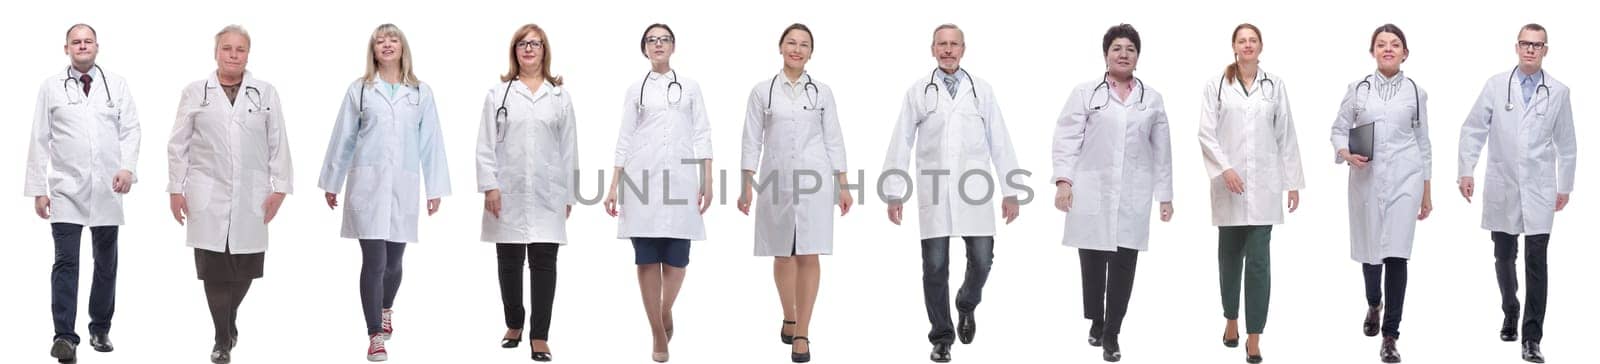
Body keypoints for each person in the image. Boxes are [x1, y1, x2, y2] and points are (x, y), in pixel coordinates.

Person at [881, 23, 1022, 363]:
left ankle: (966, 303)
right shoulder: (919, 91)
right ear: (932, 49)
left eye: (953, 44)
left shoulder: (981, 91)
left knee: (983, 260)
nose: (947, 50)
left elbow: (999, 139)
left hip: (975, 188)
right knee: (934, 267)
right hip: (935, 189)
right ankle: (942, 336)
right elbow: (901, 141)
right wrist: (894, 191)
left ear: (963, 49)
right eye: (941, 44)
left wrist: (1011, 189)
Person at [316, 23, 452, 362]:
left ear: (403, 47)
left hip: (403, 186)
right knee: (374, 262)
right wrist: (332, 182)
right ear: (373, 50)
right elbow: (343, 137)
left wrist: (435, 188)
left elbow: (431, 142)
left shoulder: (420, 92)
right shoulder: (360, 89)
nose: (387, 45)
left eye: (393, 40)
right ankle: (375, 333)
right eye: (380, 41)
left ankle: (386, 307)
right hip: (367, 185)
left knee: (394, 263)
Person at [166, 24, 293, 364]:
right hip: (205, 192)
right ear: (216, 52)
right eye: (227, 48)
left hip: (252, 193)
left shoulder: (264, 92)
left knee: (246, 267)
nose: (233, 54)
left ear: (247, 54)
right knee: (214, 269)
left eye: (240, 49)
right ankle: (223, 338)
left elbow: (277, 141)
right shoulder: (196, 92)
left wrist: (280, 188)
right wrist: (175, 189)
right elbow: (178, 144)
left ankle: (228, 321)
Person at [1052, 23, 1174, 363]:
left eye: (1130, 49)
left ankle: (1112, 333)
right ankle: (1096, 318)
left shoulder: (1152, 99)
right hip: (1091, 189)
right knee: (1091, 263)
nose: (1124, 54)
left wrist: (1165, 196)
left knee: (1123, 264)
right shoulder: (1085, 93)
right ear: (1106, 54)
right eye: (1117, 48)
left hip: (1134, 192)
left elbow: (1162, 150)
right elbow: (1066, 139)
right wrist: (1064, 182)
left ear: (1138, 56)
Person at [1456, 23, 1576, 364]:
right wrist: (1466, 170)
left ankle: (1532, 338)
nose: (1530, 50)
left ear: (1545, 50)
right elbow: (1473, 128)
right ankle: (1511, 309)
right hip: (1503, 184)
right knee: (1504, 255)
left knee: (1537, 262)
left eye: (1537, 45)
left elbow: (1566, 143)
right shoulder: (1496, 86)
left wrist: (1564, 184)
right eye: (1525, 43)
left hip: (1540, 188)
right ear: (1517, 46)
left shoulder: (1559, 91)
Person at [25, 23, 142, 364]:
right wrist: (38, 189)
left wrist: (128, 169)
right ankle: (64, 336)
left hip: (108, 187)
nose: (81, 46)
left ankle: (100, 328)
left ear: (97, 46)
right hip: (66, 190)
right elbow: (38, 138)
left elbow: (132, 129)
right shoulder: (51, 87)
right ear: (66, 49)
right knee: (66, 263)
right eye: (75, 42)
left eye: (87, 41)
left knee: (106, 262)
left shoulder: (116, 86)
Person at [736, 23, 851, 364]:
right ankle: (789, 314)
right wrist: (746, 184)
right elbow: (750, 139)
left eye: (803, 45)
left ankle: (802, 331)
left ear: (811, 53)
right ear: (781, 47)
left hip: (815, 181)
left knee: (809, 253)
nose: (797, 49)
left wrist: (843, 184)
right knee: (782, 253)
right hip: (776, 180)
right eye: (791, 43)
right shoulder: (762, 92)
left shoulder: (822, 92)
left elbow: (834, 139)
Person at [603, 23, 714, 363]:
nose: (658, 44)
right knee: (647, 258)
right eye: (651, 40)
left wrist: (706, 179)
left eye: (664, 39)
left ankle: (664, 310)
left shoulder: (691, 88)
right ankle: (656, 331)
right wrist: (613, 185)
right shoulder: (635, 90)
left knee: (677, 260)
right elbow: (624, 138)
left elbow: (702, 133)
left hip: (681, 182)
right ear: (644, 49)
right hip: (642, 182)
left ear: (673, 46)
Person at [1197, 23, 1305, 364]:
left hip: (1264, 188)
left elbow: (1285, 134)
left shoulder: (1275, 86)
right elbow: (1205, 133)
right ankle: (1231, 319)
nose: (1247, 45)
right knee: (1229, 259)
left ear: (1260, 47)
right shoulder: (1216, 86)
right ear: (1233, 46)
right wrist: (1225, 168)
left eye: (1252, 40)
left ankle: (1254, 336)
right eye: (1242, 40)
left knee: (1259, 263)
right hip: (1228, 187)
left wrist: (1292, 183)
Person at [1328, 23, 1431, 364]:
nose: (1388, 49)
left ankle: (1390, 335)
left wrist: (1426, 190)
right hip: (1367, 179)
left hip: (1406, 178)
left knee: (1397, 254)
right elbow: (1339, 130)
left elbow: (1423, 142)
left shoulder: (1416, 92)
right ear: (1372, 51)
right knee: (1372, 253)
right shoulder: (1357, 90)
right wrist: (1345, 153)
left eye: (1395, 44)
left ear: (1405, 53)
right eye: (1382, 44)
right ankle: (1374, 302)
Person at [476, 23, 578, 363]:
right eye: (522, 44)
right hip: (507, 190)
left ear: (544, 50)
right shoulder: (499, 93)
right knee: (509, 261)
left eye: (535, 44)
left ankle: (540, 335)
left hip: (548, 192)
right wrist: (490, 185)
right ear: (514, 51)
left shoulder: (559, 96)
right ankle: (514, 323)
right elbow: (485, 144)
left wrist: (569, 195)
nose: (529, 49)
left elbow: (569, 150)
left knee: (544, 261)